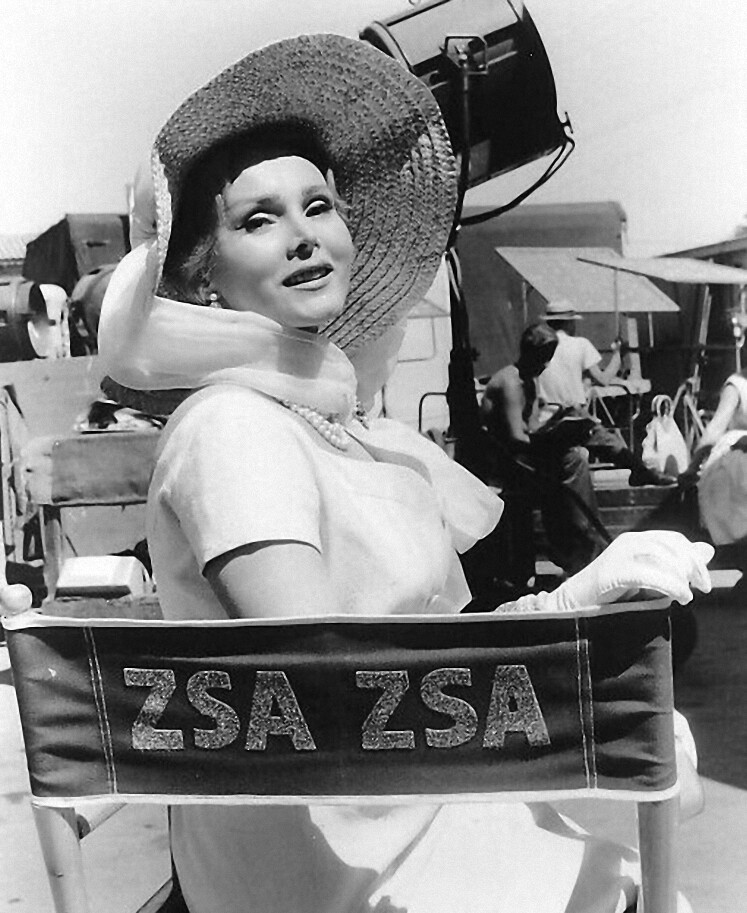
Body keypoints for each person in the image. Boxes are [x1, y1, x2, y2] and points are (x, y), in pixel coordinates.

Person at [98, 34, 712, 913]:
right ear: (201, 282)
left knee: (634, 871)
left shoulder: (333, 423)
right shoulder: (234, 427)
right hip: (332, 850)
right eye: (258, 220)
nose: (303, 236)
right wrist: (567, 676)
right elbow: (330, 681)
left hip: (416, 794)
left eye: (318, 205)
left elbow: (420, 650)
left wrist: (567, 605)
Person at [480, 322, 608, 576]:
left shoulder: (529, 380)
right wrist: (552, 443)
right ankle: (578, 547)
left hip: (524, 458)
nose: (547, 364)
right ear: (529, 354)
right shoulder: (511, 383)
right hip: (505, 462)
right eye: (543, 358)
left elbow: (533, 427)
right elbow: (516, 438)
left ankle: (573, 546)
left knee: (576, 454)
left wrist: (559, 425)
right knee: (572, 462)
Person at [536, 300, 675, 486]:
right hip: (572, 417)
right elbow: (604, 379)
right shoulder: (580, 344)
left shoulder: (539, 347)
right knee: (610, 444)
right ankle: (640, 471)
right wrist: (618, 353)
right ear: (569, 323)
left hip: (544, 419)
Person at [680, 367, 747, 548]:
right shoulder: (737, 385)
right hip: (738, 454)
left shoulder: (737, 384)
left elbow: (716, 427)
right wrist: (693, 467)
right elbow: (717, 426)